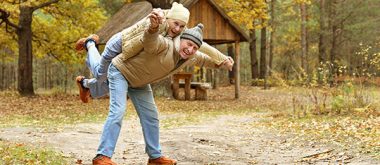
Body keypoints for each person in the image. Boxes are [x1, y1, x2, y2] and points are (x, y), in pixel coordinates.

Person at [91, 11, 233, 164]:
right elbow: (151, 41)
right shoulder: (165, 44)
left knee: (151, 116)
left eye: (195, 48)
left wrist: (222, 63)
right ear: (182, 39)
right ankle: (102, 156)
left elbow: (205, 60)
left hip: (139, 82)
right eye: (189, 44)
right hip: (120, 71)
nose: (191, 50)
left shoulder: (189, 57)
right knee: (118, 111)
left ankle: (155, 157)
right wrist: (152, 29)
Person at [75, 2, 234, 103]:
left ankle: (85, 85)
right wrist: (156, 18)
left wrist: (222, 58)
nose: (177, 29)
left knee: (107, 84)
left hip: (131, 56)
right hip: (120, 44)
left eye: (181, 26)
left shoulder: (178, 32)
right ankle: (90, 44)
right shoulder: (159, 20)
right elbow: (151, 32)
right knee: (100, 75)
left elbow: (202, 45)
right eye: (176, 24)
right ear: (169, 18)